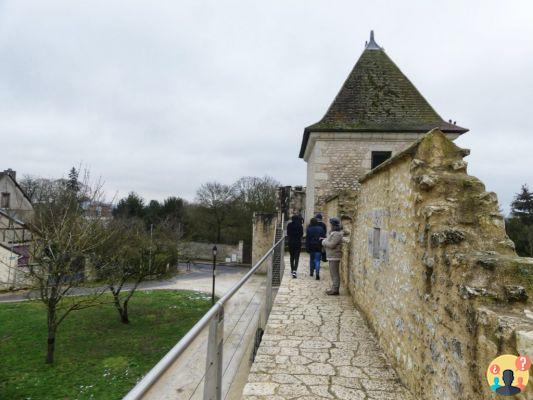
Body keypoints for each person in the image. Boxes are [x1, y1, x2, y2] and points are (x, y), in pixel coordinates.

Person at [321, 217, 343, 295]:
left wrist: (323, 241)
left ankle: (335, 290)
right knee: (332, 273)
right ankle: (334, 288)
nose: (330, 225)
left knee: (334, 273)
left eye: (331, 224)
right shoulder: (334, 233)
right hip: (332, 255)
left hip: (334, 256)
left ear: (333, 225)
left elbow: (331, 245)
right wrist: (326, 240)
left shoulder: (337, 234)